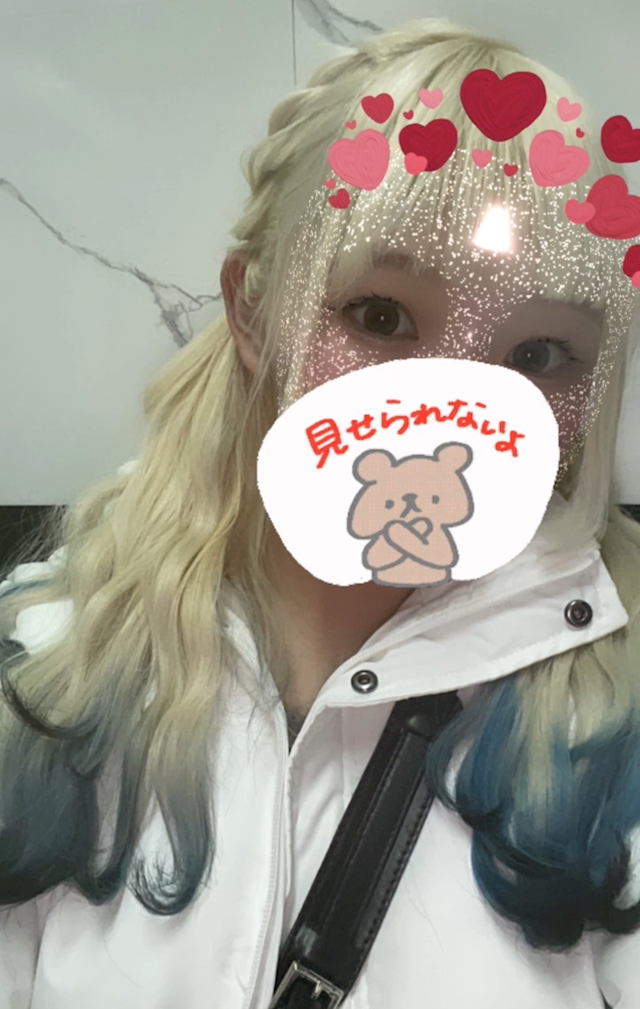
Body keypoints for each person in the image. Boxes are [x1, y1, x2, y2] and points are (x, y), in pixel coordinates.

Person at [0, 17, 639, 1009]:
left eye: (538, 355)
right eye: (381, 316)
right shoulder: (47, 671)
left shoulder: (619, 720)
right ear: (252, 311)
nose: (449, 420)